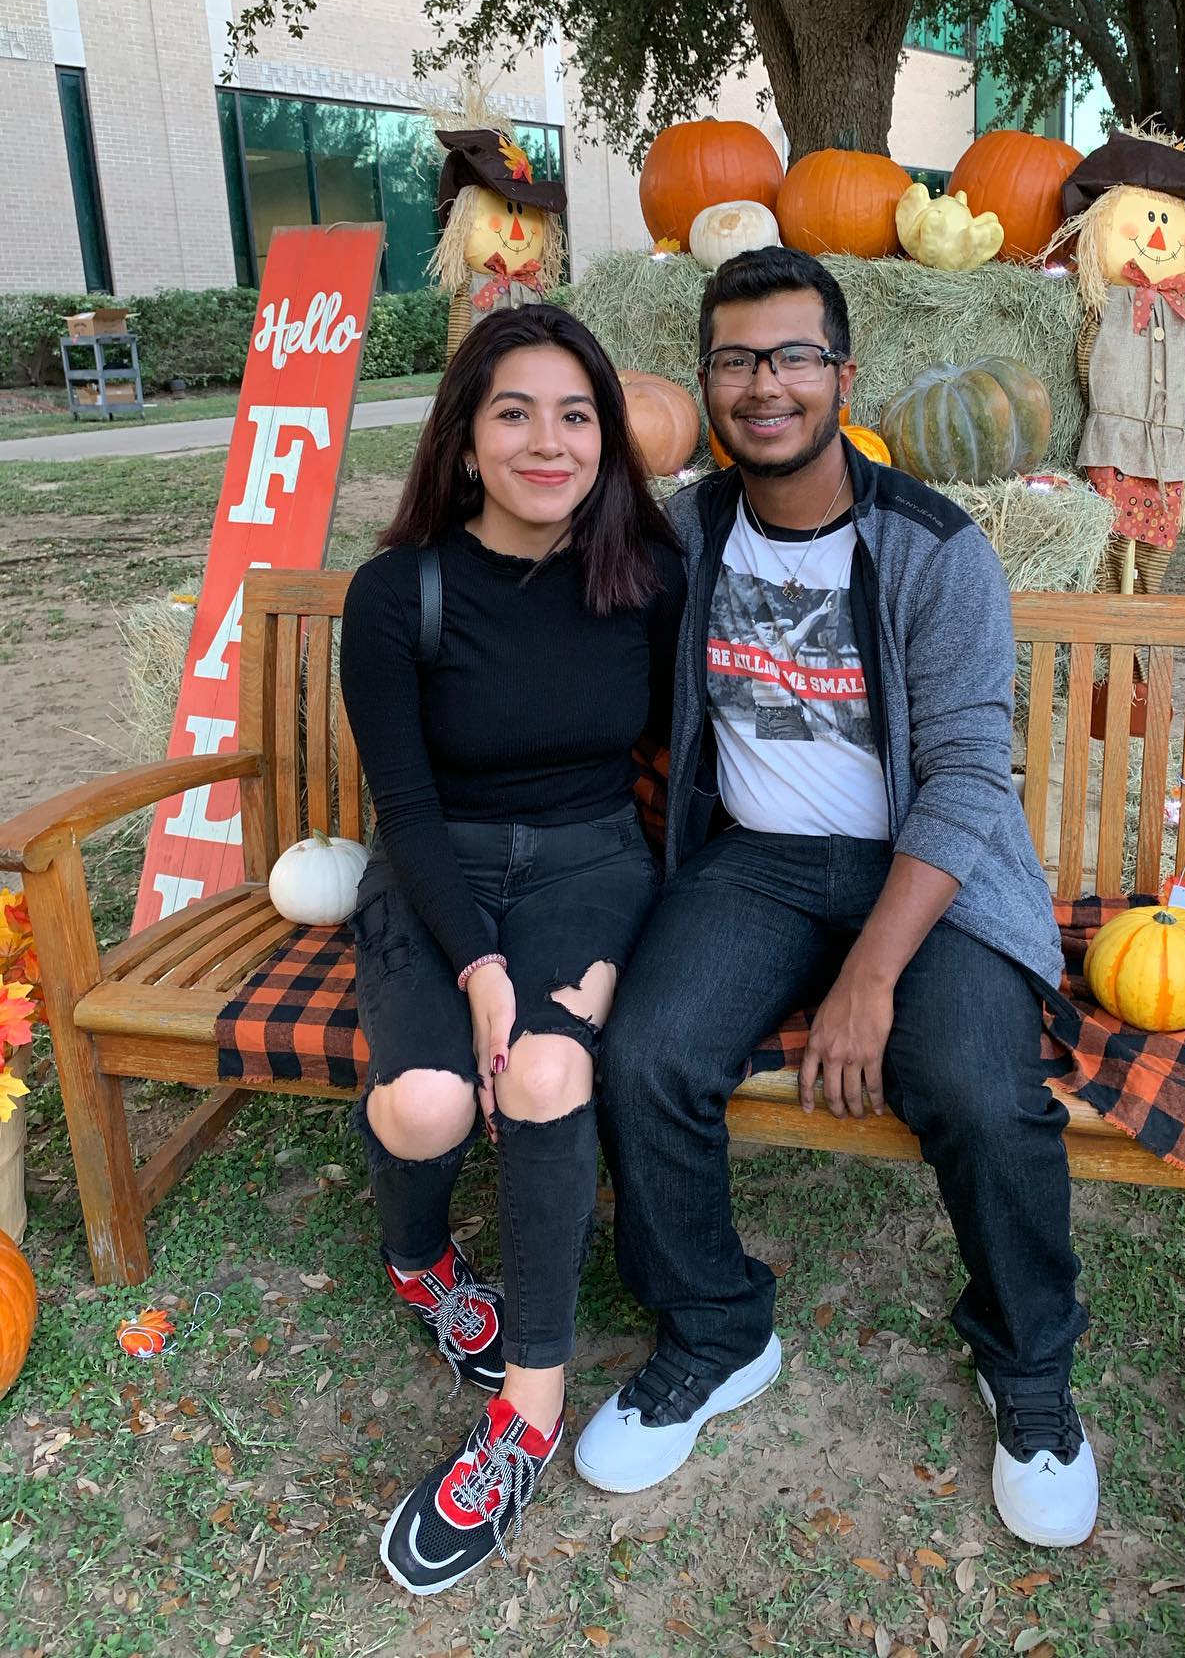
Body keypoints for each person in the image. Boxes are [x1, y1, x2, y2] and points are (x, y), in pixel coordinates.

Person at [577, 246, 1099, 1550]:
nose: (765, 384)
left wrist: (872, 973)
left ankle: (1029, 1368)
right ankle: (714, 1329)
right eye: (737, 359)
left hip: (931, 872)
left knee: (982, 1090)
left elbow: (973, 772)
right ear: (706, 382)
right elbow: (560, 608)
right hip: (754, 864)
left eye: (793, 355)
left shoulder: (934, 549)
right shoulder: (689, 528)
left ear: (841, 374)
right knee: (642, 1054)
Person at [339, 302, 683, 1594]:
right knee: (426, 1104)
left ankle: (527, 1411)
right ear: (466, 441)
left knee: (545, 1077)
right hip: (438, 872)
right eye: (515, 413)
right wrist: (480, 968)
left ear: (609, 438)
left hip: (593, 864)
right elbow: (407, 810)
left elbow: (691, 760)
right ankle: (422, 1258)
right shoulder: (397, 594)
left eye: (577, 415)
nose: (551, 442)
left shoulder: (643, 575)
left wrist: (614, 950)